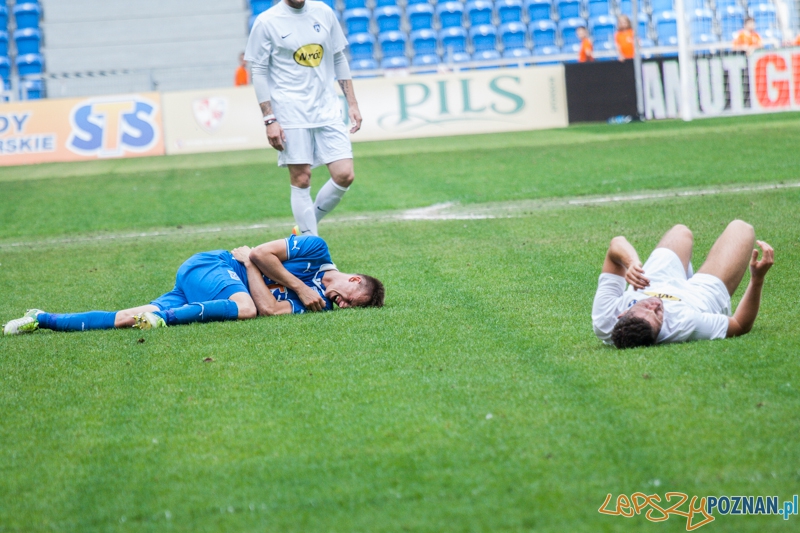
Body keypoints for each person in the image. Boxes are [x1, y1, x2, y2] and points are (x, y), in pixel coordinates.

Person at [3, 235, 385, 335]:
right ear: (353, 280)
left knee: (125, 318)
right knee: (245, 309)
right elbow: (264, 255)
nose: (344, 306)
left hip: (221, 282)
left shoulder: (322, 303)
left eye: (351, 309)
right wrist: (295, 284)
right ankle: (166, 319)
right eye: (353, 300)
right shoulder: (316, 250)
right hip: (211, 267)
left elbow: (270, 306)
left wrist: (251, 263)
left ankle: (43, 319)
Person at [244, 0, 362, 237]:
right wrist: (269, 118)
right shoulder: (267, 21)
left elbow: (338, 57)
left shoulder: (324, 12)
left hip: (326, 108)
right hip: (290, 112)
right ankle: (311, 245)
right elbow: (258, 71)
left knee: (344, 174)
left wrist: (352, 103)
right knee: (301, 178)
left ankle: (305, 227)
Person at [592, 220, 773, 349]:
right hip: (700, 295)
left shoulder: (605, 318)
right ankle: (691, 277)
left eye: (645, 306)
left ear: (623, 313)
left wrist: (631, 263)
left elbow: (616, 244)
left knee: (681, 232)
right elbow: (739, 325)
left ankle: (683, 272)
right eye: (658, 314)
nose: (655, 305)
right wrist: (757, 280)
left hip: (654, 280)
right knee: (741, 228)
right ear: (660, 331)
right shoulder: (684, 324)